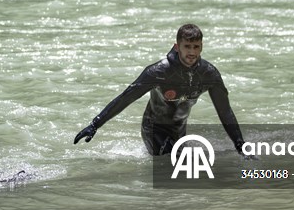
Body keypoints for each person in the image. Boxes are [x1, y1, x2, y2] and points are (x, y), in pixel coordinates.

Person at [73, 23, 247, 156]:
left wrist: (239, 144)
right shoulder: (158, 72)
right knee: (172, 167)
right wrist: (95, 124)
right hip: (154, 129)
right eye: (187, 47)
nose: (192, 52)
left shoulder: (209, 74)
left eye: (196, 47)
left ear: (201, 47)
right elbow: (126, 97)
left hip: (180, 130)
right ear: (177, 46)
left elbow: (225, 111)